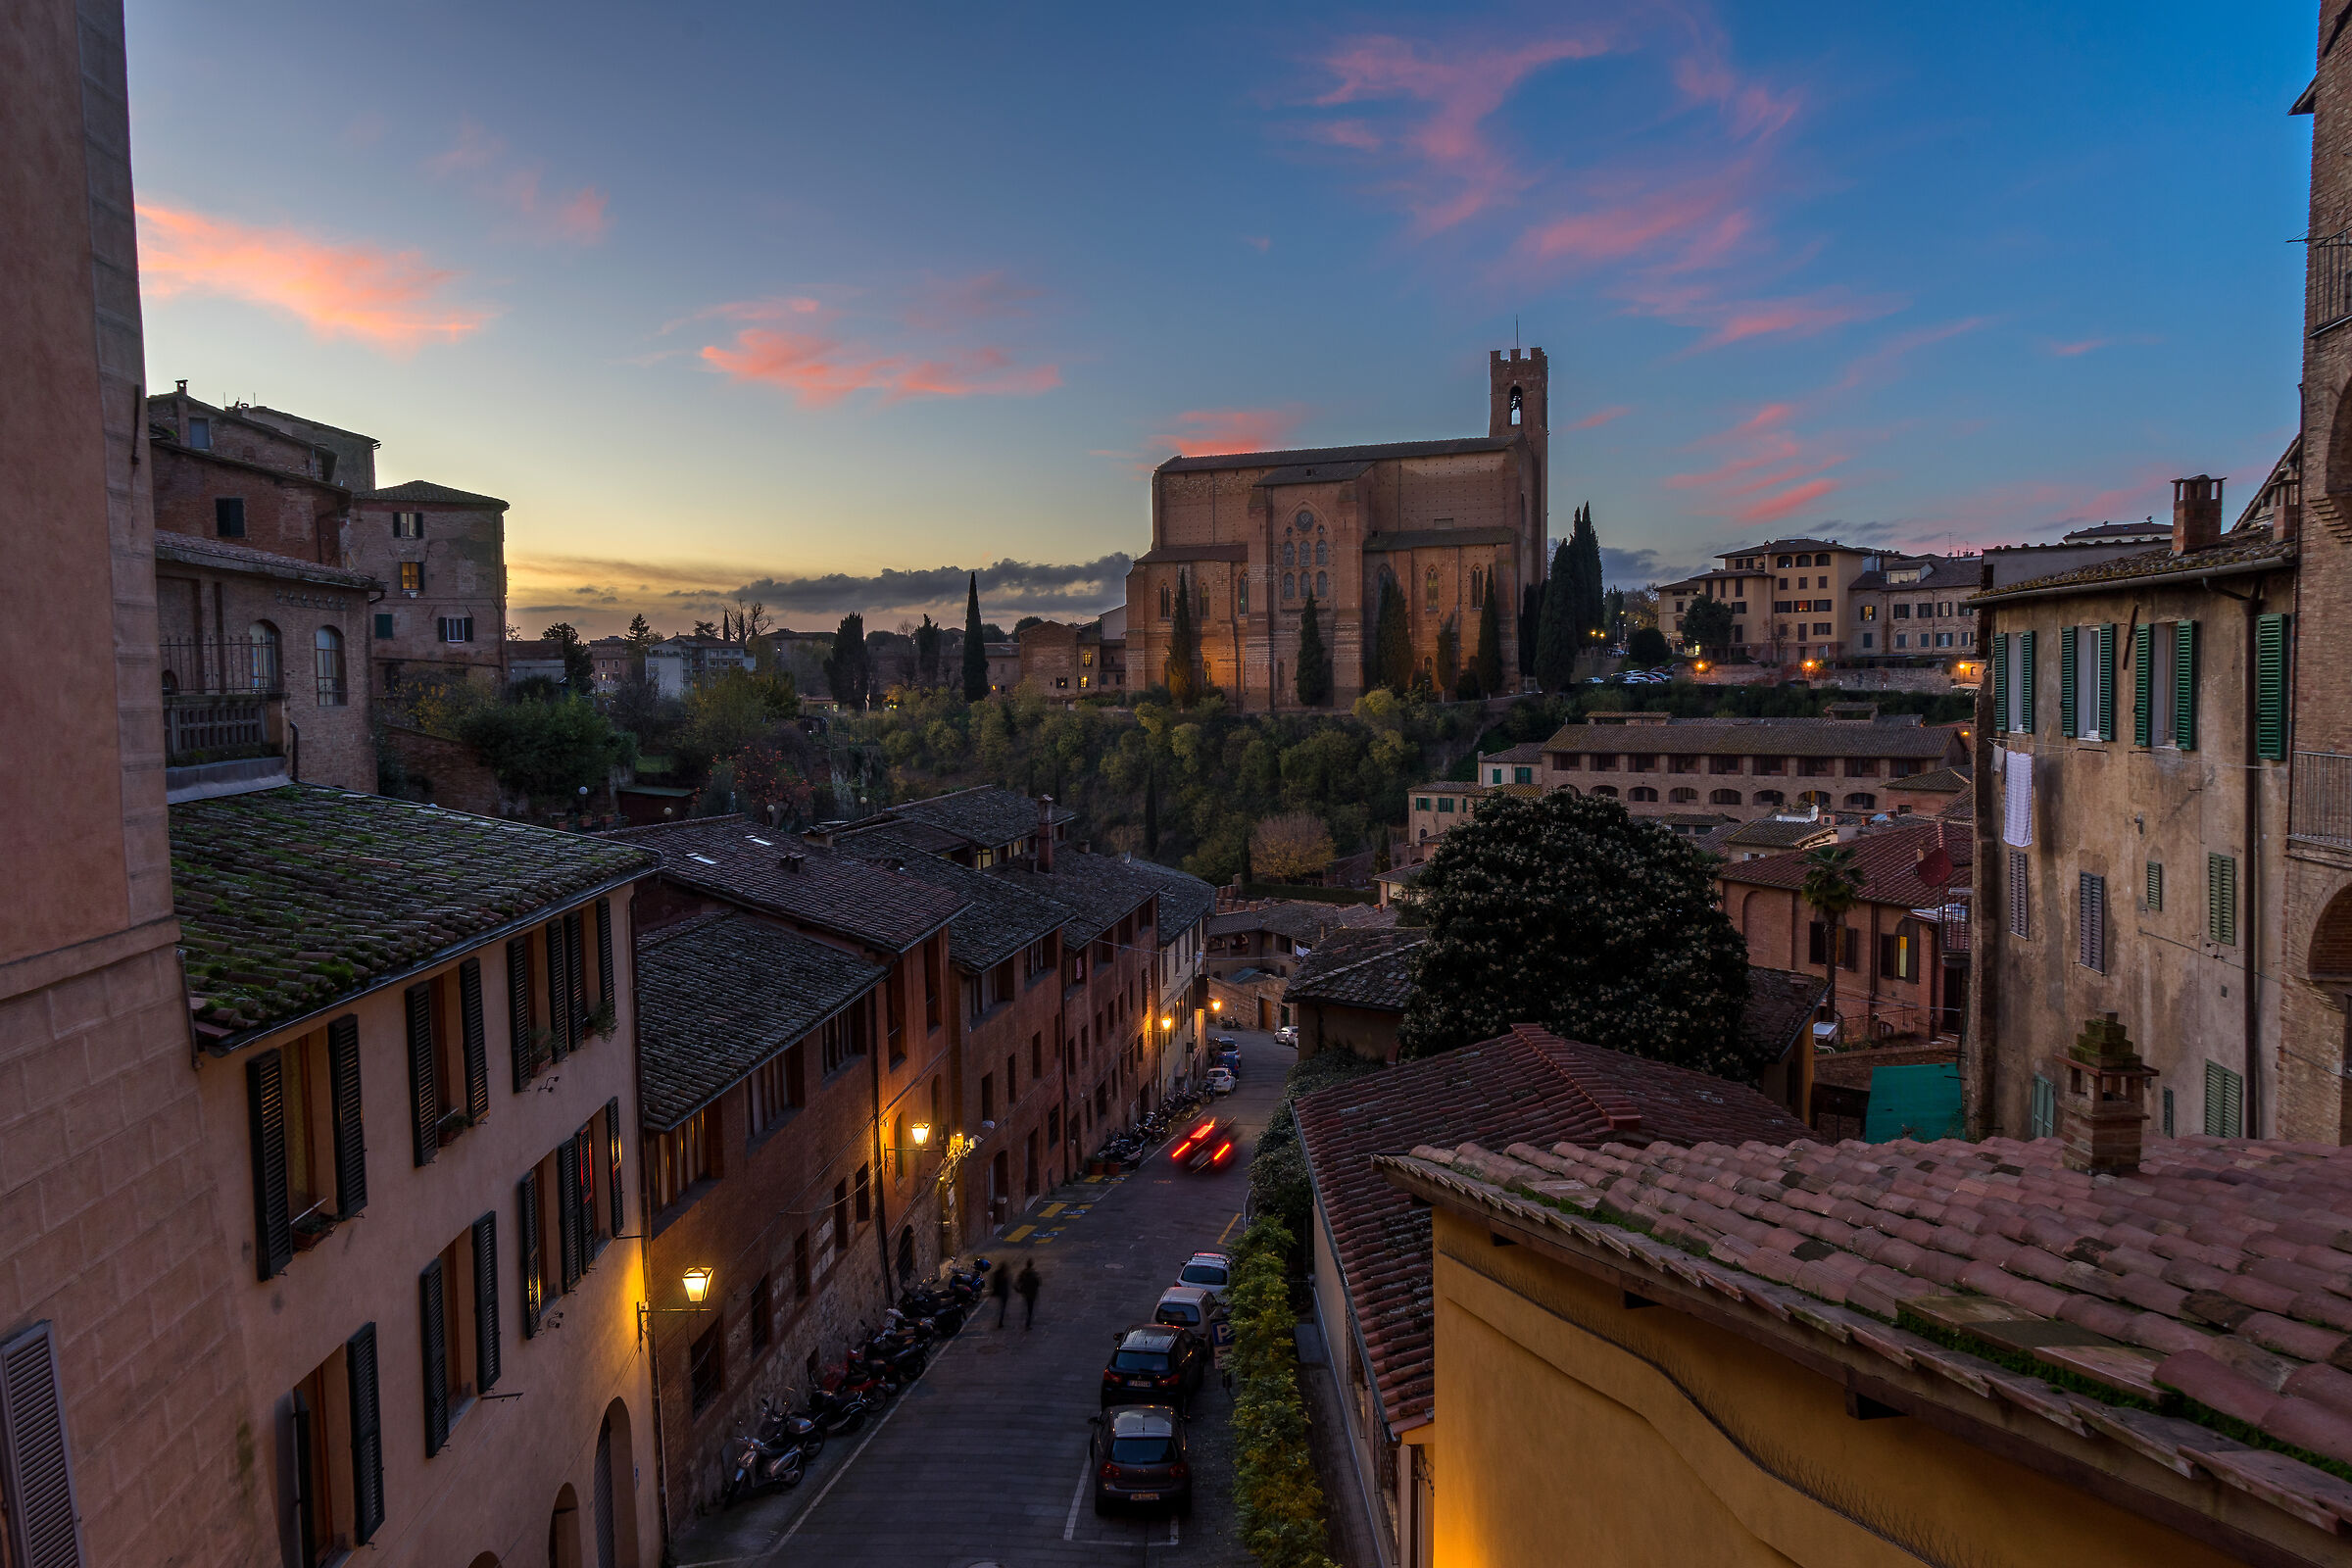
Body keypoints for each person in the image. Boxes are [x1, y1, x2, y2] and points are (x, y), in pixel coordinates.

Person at [1016, 1260, 1041, 1329]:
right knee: (1030, 1308)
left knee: (1027, 1305)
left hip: (1026, 1293)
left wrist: (1019, 1289)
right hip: (1032, 1293)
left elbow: (1018, 1281)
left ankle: (1026, 1319)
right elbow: (1039, 1283)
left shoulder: (1023, 1272)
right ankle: (1028, 1323)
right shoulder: (1034, 1273)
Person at [991, 1261, 1012, 1328]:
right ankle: (1000, 1320)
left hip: (999, 1292)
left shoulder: (997, 1274)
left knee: (1002, 1306)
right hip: (1004, 1293)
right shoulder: (1005, 1275)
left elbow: (994, 1282)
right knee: (1003, 1307)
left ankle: (1001, 1316)